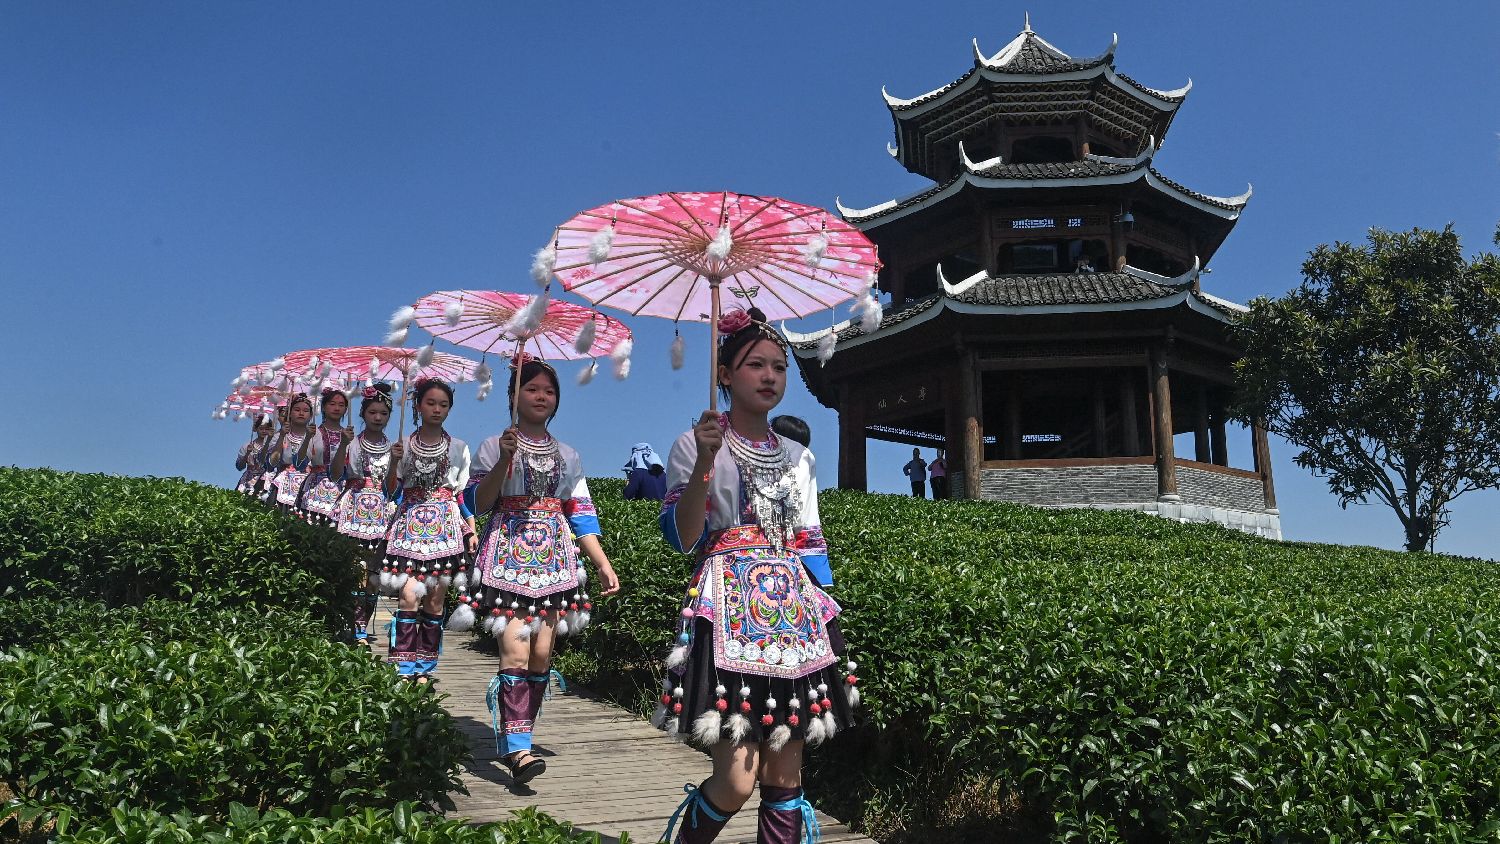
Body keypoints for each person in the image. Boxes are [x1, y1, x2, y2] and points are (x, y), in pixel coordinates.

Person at [656, 307, 858, 844]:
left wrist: (824, 615)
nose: (770, 376)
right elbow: (683, 536)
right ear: (724, 374)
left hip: (792, 613)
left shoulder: (799, 456)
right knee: (736, 780)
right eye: (755, 365)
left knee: (785, 779)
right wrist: (704, 463)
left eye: (779, 367)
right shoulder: (693, 444)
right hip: (727, 608)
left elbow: (809, 539)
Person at [464, 356, 621, 784]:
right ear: (513, 396)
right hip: (508, 555)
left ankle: (517, 734)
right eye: (531, 389)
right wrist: (504, 460)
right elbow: (477, 503)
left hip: (554, 561)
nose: (540, 396)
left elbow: (580, 513)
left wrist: (602, 563)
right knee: (516, 651)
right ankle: (520, 749)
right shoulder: (493, 446)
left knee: (541, 655)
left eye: (549, 391)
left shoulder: (568, 455)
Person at [380, 378, 476, 683]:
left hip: (445, 528)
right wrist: (394, 462)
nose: (437, 409)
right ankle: (402, 667)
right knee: (408, 597)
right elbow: (390, 491)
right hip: (409, 526)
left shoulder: (459, 448)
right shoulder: (402, 445)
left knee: (435, 601)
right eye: (431, 403)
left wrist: (471, 529)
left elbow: (461, 496)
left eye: (443, 405)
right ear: (418, 406)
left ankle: (424, 667)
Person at [331, 383, 398, 646]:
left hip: (382, 512)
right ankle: (357, 628)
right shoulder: (351, 443)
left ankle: (362, 623)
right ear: (363, 414)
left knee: (373, 576)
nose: (378, 417)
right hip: (355, 509)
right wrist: (342, 446)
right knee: (357, 571)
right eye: (372, 412)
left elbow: (394, 487)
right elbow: (335, 474)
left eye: (383, 413)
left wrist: (396, 461)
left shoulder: (394, 447)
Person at [299, 389, 352, 525]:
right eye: (332, 404)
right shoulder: (314, 433)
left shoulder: (350, 436)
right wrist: (307, 438)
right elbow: (300, 463)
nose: (337, 408)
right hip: (315, 489)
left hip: (341, 490)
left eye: (341, 405)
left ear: (346, 409)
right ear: (323, 407)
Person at [267, 394, 315, 514]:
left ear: (311, 415)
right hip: (283, 485)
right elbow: (272, 463)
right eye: (297, 410)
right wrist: (282, 436)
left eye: (306, 411)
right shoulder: (280, 436)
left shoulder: (317, 437)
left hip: (308, 487)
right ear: (290, 413)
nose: (301, 413)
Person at [233, 414, 274, 496]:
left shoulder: (273, 446)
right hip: (248, 481)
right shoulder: (247, 446)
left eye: (266, 429)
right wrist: (247, 453)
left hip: (266, 480)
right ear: (255, 429)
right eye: (261, 428)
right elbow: (239, 467)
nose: (264, 431)